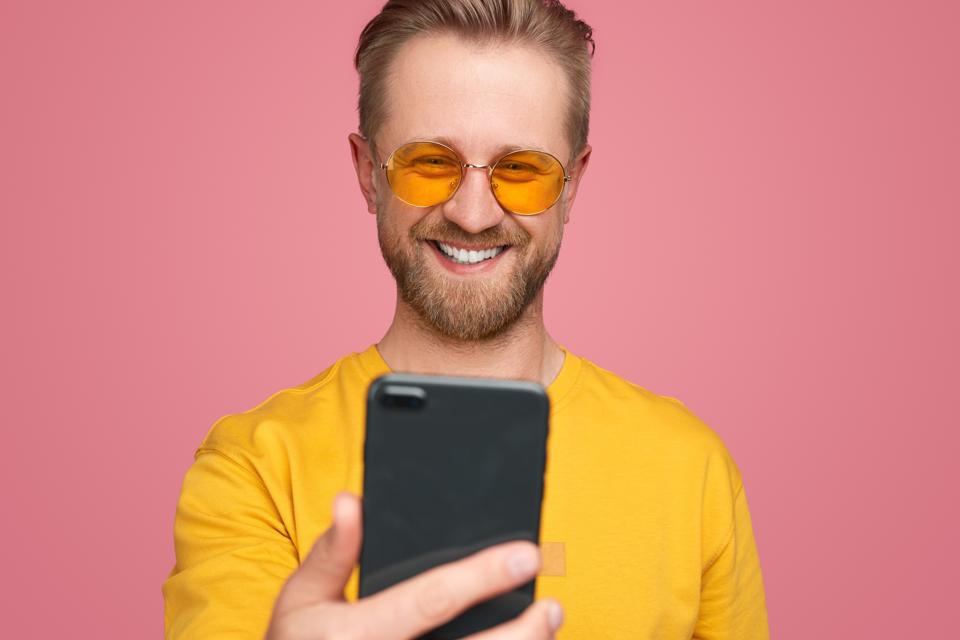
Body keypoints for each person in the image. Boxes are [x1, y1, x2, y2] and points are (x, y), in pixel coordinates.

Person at [162, 1, 770, 638]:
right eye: (430, 163)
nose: (474, 214)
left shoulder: (690, 466)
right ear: (370, 172)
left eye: (521, 170)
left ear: (573, 185)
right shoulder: (252, 469)